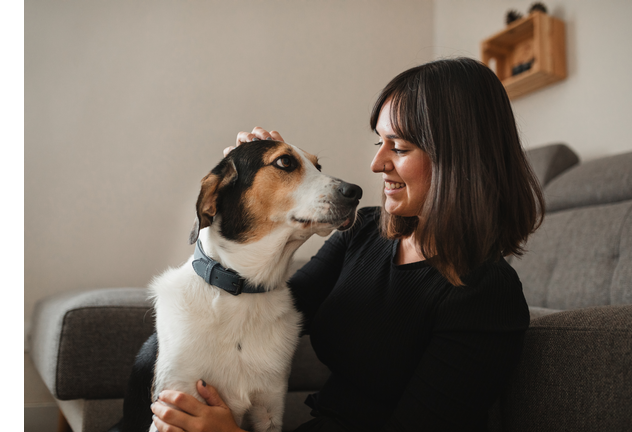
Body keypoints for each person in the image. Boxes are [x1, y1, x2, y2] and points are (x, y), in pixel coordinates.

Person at [150, 57, 545, 432]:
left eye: (400, 147)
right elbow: (277, 306)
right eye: (380, 142)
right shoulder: (366, 230)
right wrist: (257, 179)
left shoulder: (487, 295)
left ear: (459, 158)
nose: (377, 164)